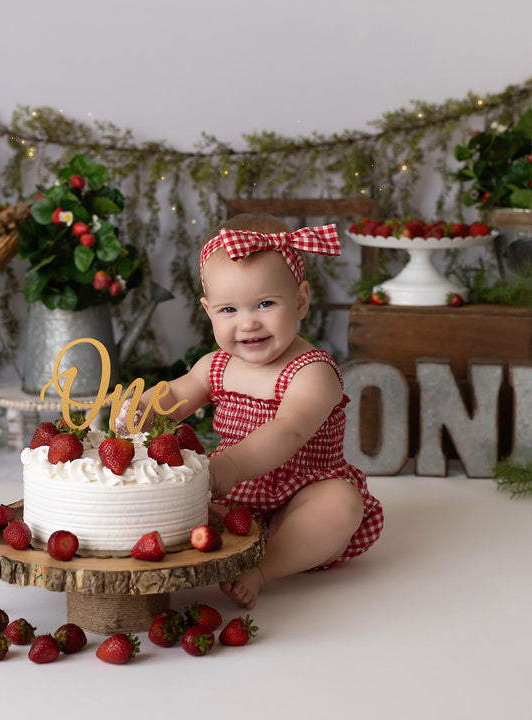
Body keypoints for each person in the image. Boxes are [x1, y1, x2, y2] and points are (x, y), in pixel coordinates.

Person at [125, 213, 383, 609]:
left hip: (299, 496)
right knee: (166, 497)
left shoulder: (312, 371)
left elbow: (289, 430)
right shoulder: (217, 364)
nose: (248, 323)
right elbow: (178, 394)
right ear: (208, 310)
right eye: (229, 310)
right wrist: (138, 407)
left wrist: (229, 467)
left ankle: (264, 565)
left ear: (300, 300)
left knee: (340, 503)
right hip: (233, 498)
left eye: (265, 304)